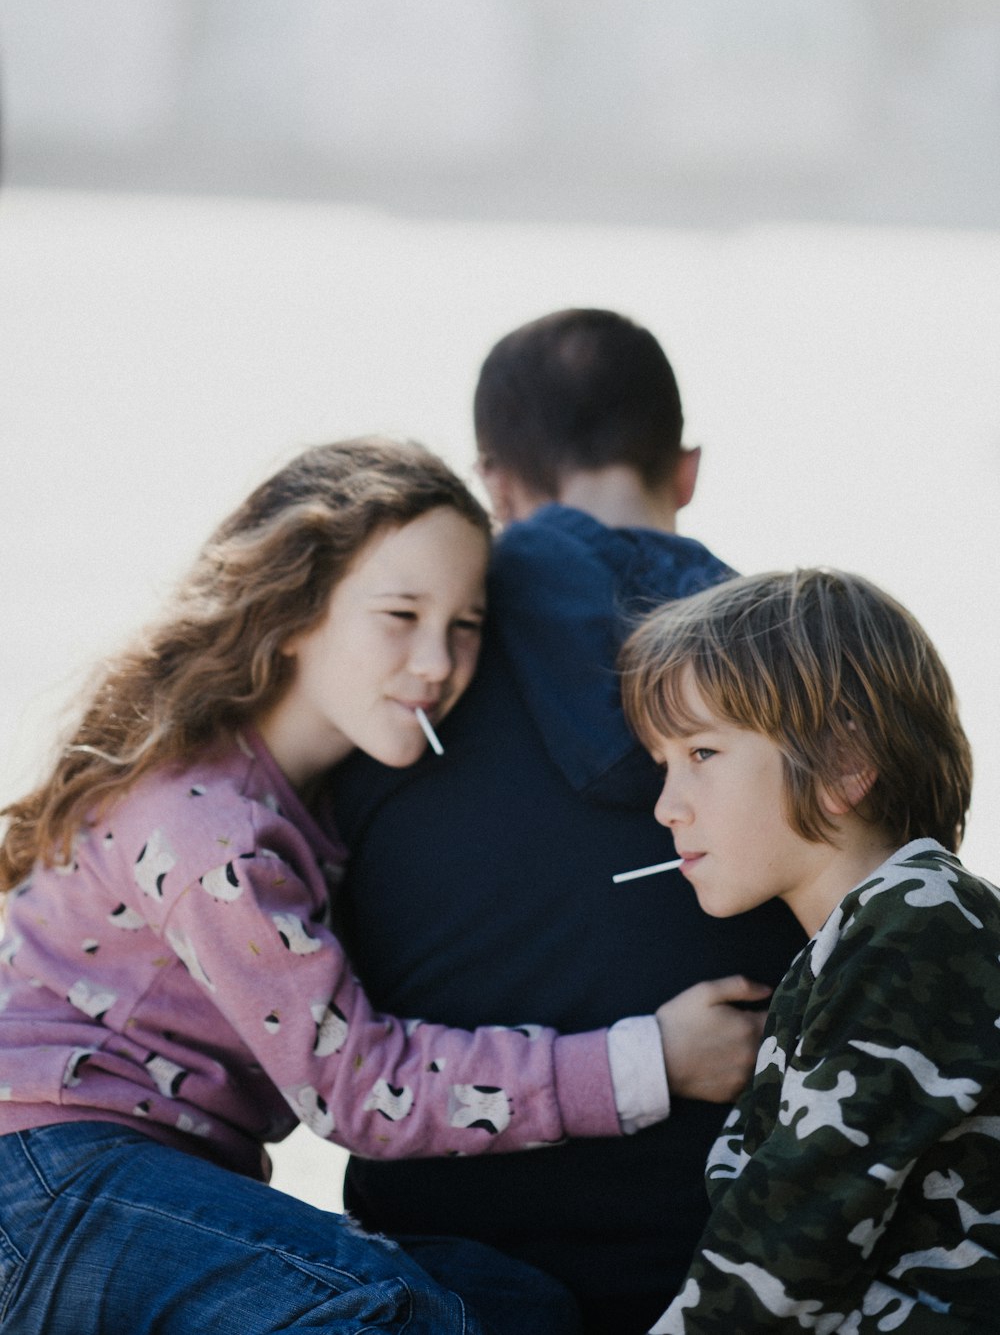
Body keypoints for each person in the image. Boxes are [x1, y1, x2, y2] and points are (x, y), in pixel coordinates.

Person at [0, 436, 704, 1335]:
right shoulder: (210, 831)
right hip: (47, 1178)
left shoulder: (307, 808)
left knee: (520, 1306)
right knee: (403, 1318)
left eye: (466, 623)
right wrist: (652, 1058)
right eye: (400, 614)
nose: (438, 662)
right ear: (294, 611)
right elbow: (362, 1087)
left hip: (133, 1183)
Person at [330, 311, 806, 1333]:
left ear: (494, 486)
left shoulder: (401, 673)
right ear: (684, 469)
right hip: (720, 1267)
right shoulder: (807, 670)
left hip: (431, 1271)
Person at [619, 568, 998, 1334]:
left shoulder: (920, 924)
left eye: (700, 753)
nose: (666, 806)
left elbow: (787, 1247)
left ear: (841, 764)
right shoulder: (855, 937)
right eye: (663, 764)